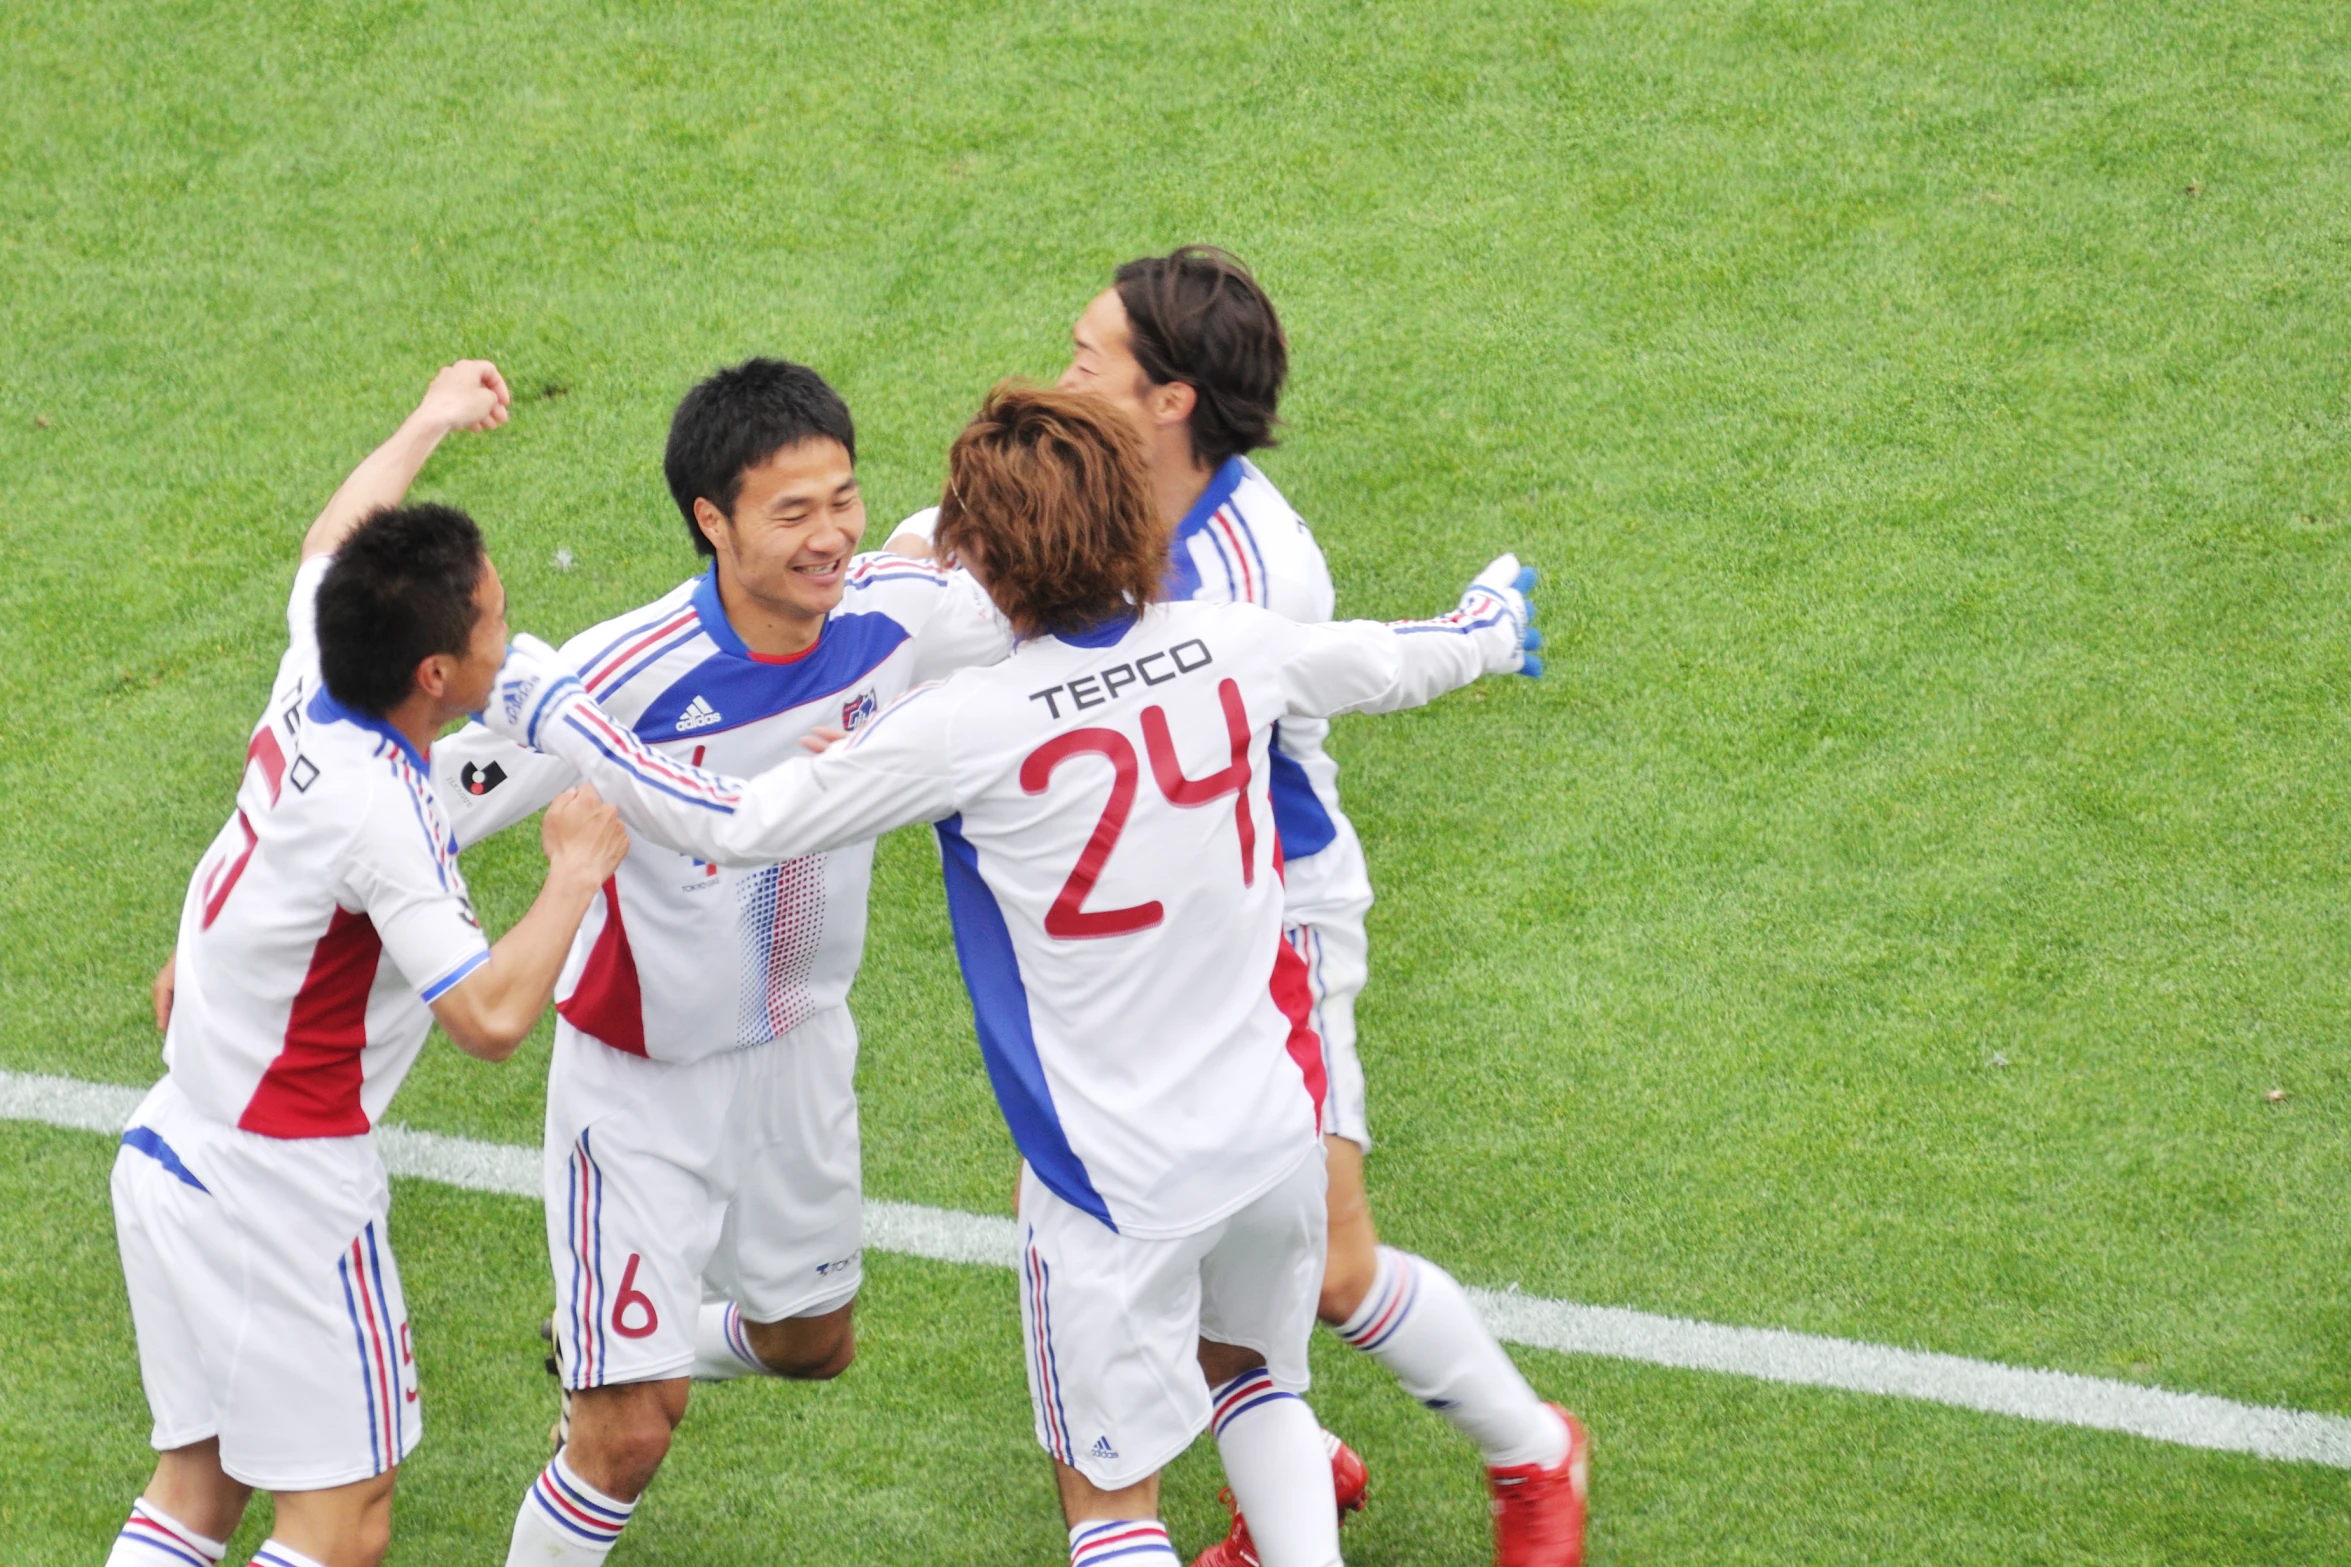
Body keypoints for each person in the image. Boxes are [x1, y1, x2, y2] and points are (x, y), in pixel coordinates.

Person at [475, 383, 1540, 1567]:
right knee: (1256, 1382)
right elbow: (1403, 659)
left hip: (1108, 1174)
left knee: (1111, 1506)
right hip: (1270, 1129)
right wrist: (1494, 618)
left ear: (981, 560)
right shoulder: (1234, 641)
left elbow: (735, 820)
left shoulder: (963, 720)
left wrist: (557, 702)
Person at [894, 247, 1588, 1567]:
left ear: (1166, 402)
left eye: (1088, 355)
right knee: (1192, 1237)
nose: (1062, 370)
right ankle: (1282, 1467)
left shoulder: (1250, 567)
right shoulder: (1089, 488)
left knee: (1323, 1266)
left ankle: (1528, 1447)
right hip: (1165, 927)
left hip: (1271, 921)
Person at [424, 358, 1009, 1567]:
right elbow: (413, 807)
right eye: (790, 513)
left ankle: (619, 1339)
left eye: (838, 499)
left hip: (799, 1053)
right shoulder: (617, 679)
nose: (827, 536)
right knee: (630, 1435)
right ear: (711, 520)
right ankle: (610, 1376)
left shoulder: (898, 617)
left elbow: (935, 551)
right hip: (640, 1089)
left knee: (814, 1343)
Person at [107, 361, 630, 1567]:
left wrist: (430, 421)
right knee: (344, 1525)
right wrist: (572, 871)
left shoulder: (316, 673)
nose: (513, 634)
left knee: (198, 1487)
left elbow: (331, 534)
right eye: (495, 622)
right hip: (283, 1195)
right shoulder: (383, 812)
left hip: (175, 1143)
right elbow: (492, 1015)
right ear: (434, 676)